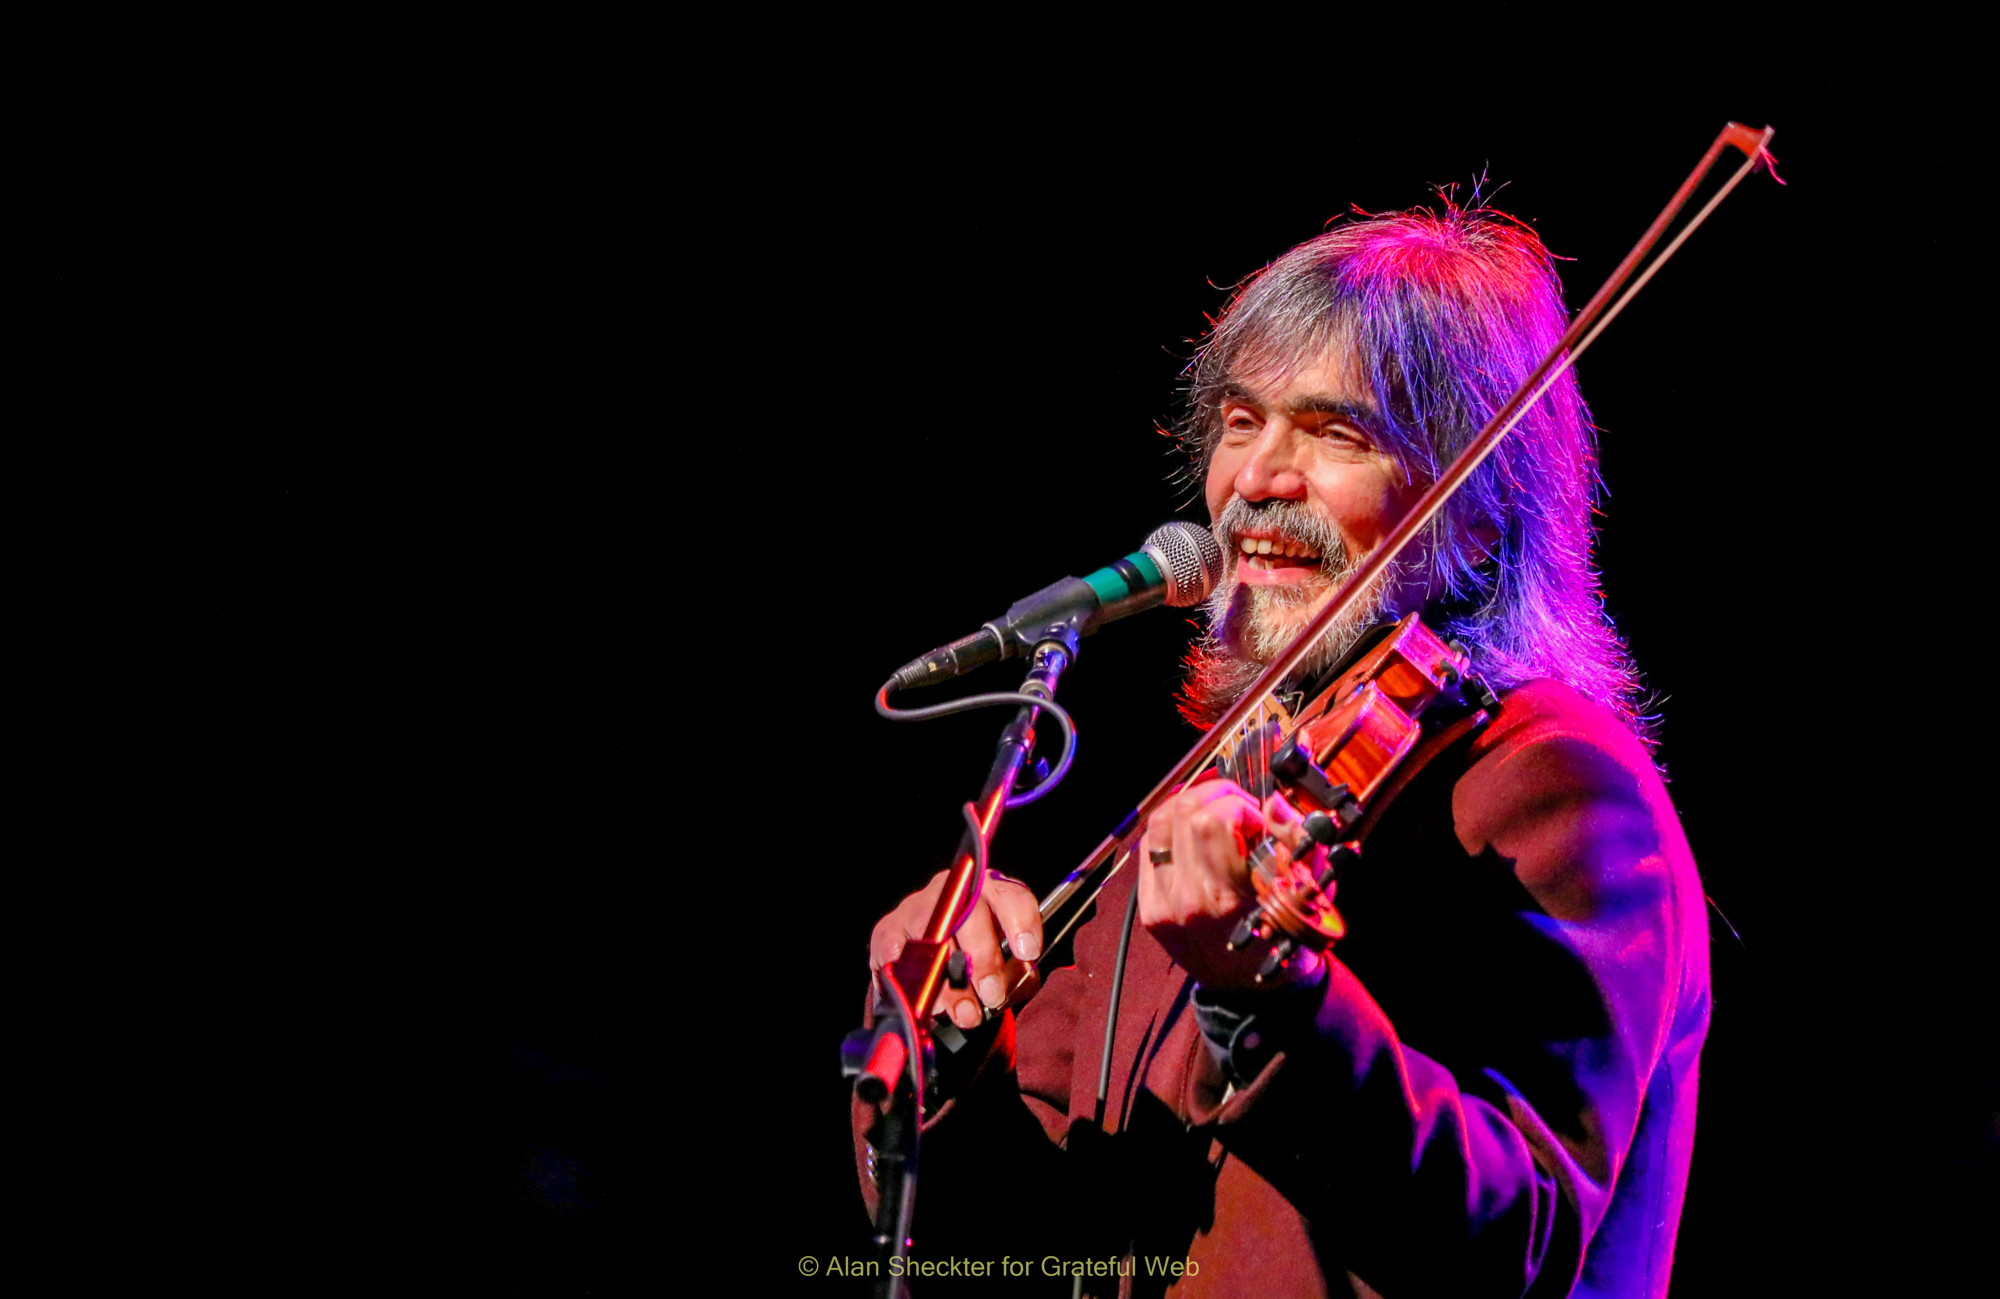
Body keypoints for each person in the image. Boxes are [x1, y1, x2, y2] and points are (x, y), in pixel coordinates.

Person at [860, 203, 1709, 1298]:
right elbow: (1033, 1221)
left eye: (1334, 433)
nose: (1256, 480)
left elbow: (1523, 1236)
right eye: (1241, 421)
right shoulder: (1215, 804)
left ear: (1481, 513)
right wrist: (937, 1030)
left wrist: (1269, 992)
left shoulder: (1550, 780)